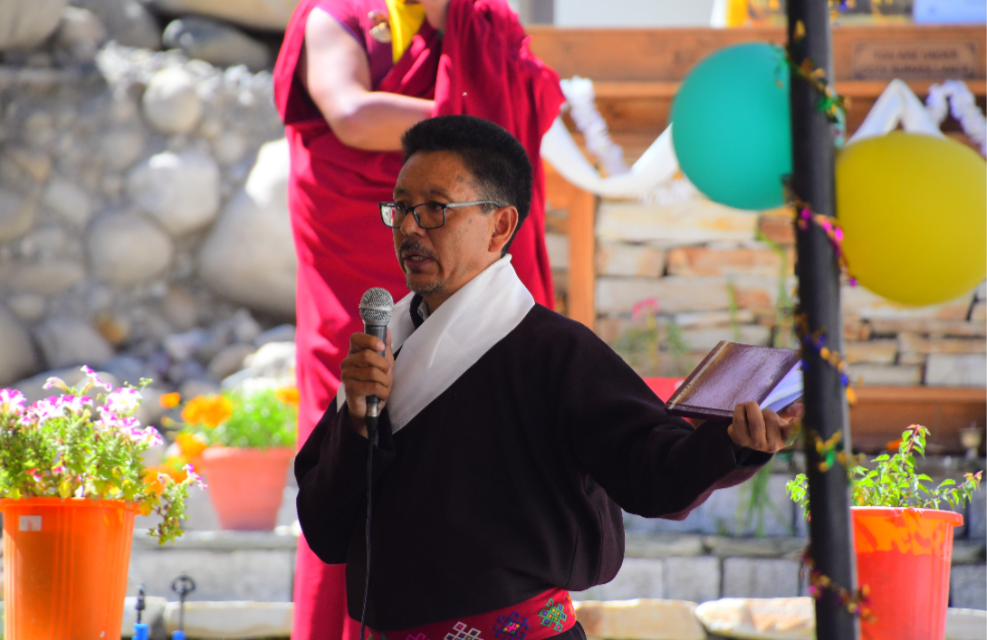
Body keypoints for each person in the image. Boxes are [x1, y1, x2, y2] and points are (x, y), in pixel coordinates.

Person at [295, 115, 799, 638]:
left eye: (434, 209)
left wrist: (734, 441)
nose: (408, 227)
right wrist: (358, 420)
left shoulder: (555, 351)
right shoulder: (383, 345)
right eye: (400, 207)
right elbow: (325, 529)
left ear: (500, 226)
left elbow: (655, 470)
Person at [272, 1, 563, 636]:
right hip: (360, 258)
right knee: (354, 437)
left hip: (462, 261)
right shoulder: (341, 14)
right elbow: (348, 113)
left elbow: (531, 104)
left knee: (480, 440)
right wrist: (475, 123)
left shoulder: (482, 24)